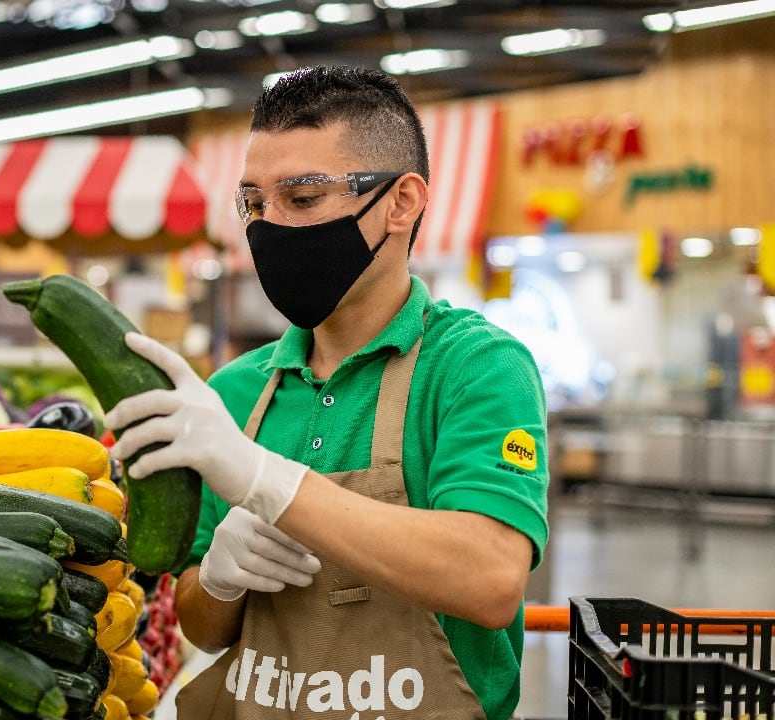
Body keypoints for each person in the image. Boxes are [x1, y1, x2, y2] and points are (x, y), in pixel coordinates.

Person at [105, 65, 549, 719]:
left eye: (303, 198)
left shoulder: (475, 368)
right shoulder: (234, 394)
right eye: (254, 203)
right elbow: (202, 625)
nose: (270, 227)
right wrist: (221, 578)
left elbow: (490, 579)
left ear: (400, 202)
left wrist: (267, 480)